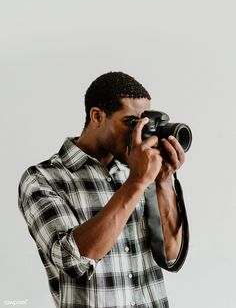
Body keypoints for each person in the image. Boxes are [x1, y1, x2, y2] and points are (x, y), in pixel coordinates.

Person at [18, 71, 187, 308]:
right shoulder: (43, 178)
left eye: (144, 123)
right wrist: (137, 182)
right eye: (130, 122)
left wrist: (163, 180)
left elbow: (171, 255)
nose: (138, 133)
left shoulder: (141, 171)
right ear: (97, 116)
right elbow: (72, 260)